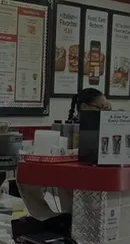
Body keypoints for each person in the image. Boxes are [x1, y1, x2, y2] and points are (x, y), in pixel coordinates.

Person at [17, 88, 110, 220]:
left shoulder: (107, 127)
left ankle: (78, 220)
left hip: (94, 177)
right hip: (68, 172)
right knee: (27, 180)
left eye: (107, 108)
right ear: (84, 107)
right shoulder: (70, 128)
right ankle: (50, 219)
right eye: (100, 108)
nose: (104, 113)